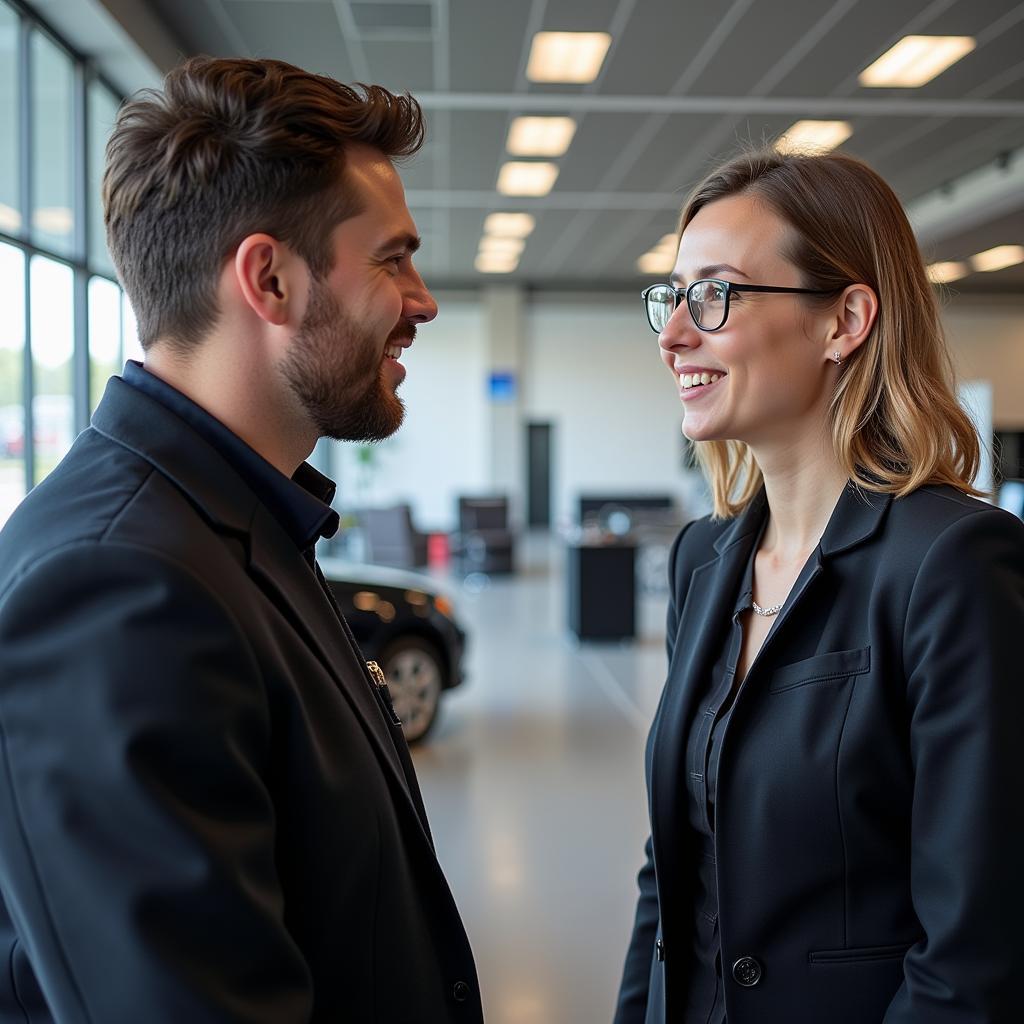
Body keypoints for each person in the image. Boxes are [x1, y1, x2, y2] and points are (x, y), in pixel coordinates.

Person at [0, 57, 482, 1023]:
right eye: (393, 258)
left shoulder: (234, 524)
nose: (422, 300)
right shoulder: (119, 582)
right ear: (268, 277)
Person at [614, 148, 1024, 1024]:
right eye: (673, 296)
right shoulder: (704, 560)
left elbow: (974, 956)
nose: (674, 333)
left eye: (715, 294)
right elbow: (671, 876)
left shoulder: (950, 567)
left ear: (845, 320)